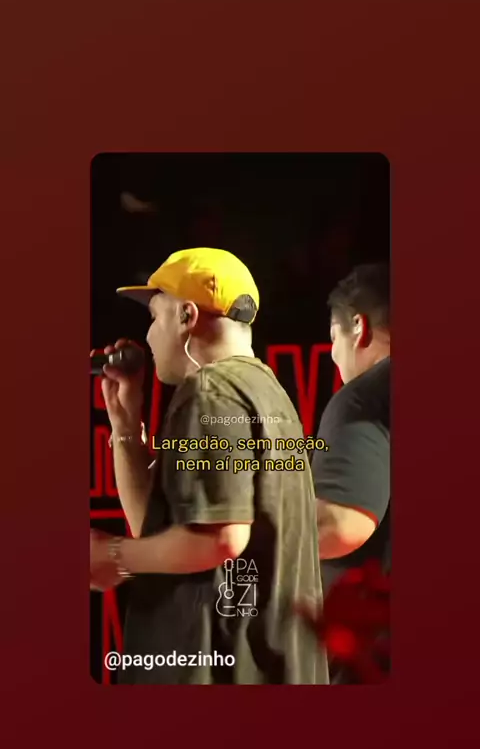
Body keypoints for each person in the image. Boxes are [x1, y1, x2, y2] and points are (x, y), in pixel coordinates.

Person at [90, 247, 328, 685]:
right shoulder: (264, 389)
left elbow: (221, 537)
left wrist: (112, 556)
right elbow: (155, 527)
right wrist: (125, 425)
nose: (148, 336)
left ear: (186, 316)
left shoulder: (211, 393)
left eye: (155, 317)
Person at [309, 263, 390, 683]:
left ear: (358, 327)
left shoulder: (361, 399)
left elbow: (338, 525)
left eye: (332, 338)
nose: (332, 354)